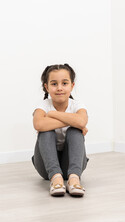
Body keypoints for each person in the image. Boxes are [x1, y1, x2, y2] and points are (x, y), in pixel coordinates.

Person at [31, 63, 89, 197]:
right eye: (54, 84)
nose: (59, 88)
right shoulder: (43, 105)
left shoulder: (77, 105)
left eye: (64, 83)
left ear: (72, 86)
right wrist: (73, 121)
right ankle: (56, 178)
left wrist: (52, 114)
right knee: (46, 131)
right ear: (46, 87)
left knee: (75, 131)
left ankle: (74, 179)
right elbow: (39, 124)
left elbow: (81, 121)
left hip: (72, 164)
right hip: (46, 167)